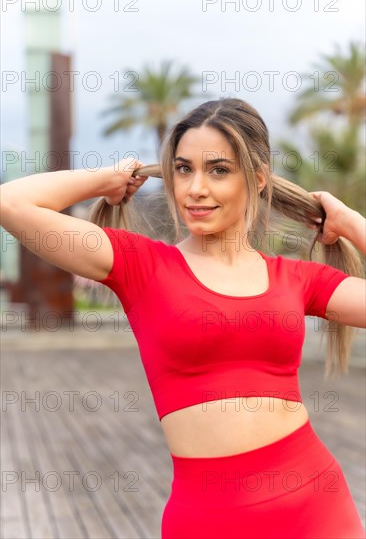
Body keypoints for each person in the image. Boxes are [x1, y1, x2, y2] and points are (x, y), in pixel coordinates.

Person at [1, 98, 365, 539]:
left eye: (218, 170)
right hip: (207, 519)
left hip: (315, 507)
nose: (195, 188)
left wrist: (351, 223)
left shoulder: (296, 279)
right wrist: (106, 179)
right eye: (183, 168)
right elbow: (12, 203)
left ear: (258, 178)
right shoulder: (141, 265)